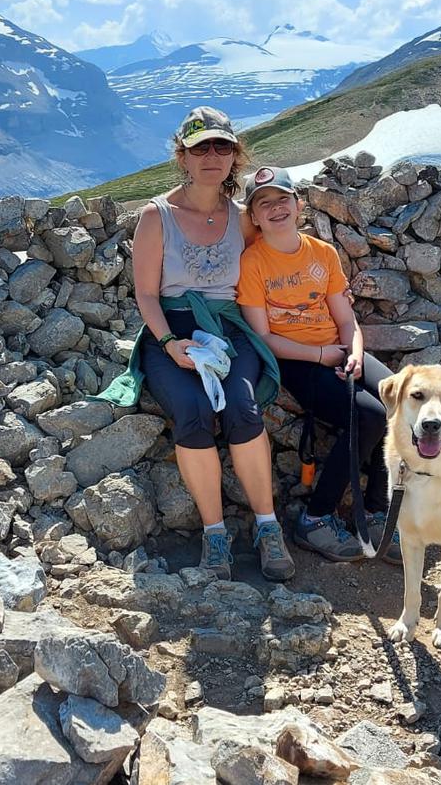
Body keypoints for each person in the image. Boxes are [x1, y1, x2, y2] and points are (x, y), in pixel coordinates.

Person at [96, 107, 295, 582]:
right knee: (192, 410)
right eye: (200, 147)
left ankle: (268, 528)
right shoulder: (156, 216)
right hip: (173, 331)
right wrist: (168, 344)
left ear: (234, 157)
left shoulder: (243, 219)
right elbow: (146, 293)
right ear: (182, 157)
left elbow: (276, 258)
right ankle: (215, 534)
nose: (212, 155)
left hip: (226, 328)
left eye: (221, 146)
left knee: (242, 408)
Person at [236, 166, 401, 565]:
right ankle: (316, 517)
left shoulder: (322, 253)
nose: (275, 208)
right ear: (254, 217)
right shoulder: (253, 263)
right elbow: (264, 338)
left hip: (338, 350)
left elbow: (346, 320)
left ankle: (379, 512)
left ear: (298, 205)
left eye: (282, 200)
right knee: (368, 416)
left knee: (400, 400)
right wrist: (321, 356)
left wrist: (356, 352)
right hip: (296, 360)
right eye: (264, 203)